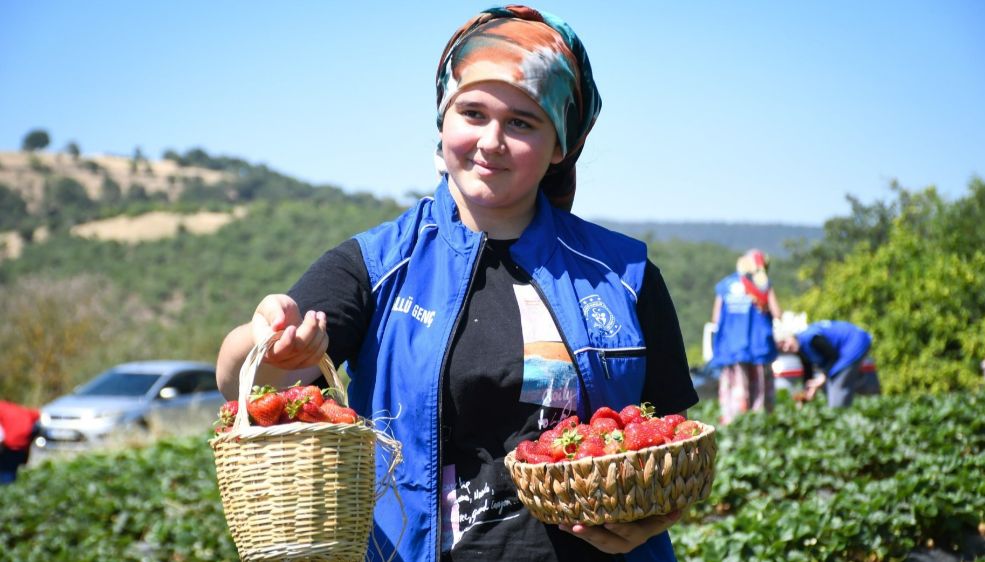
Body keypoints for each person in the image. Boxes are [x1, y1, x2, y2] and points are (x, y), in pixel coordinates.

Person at [216, 5, 698, 561]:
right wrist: (266, 337)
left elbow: (671, 447)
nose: (491, 140)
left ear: (559, 146)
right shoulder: (378, 264)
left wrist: (655, 516)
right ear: (443, 123)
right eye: (472, 113)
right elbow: (244, 385)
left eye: (522, 122)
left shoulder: (624, 274)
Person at [710, 249, 782, 425]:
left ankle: (735, 426)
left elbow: (715, 318)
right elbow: (777, 313)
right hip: (758, 346)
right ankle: (758, 427)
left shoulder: (725, 285)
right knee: (760, 394)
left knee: (735, 391)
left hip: (731, 347)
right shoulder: (762, 284)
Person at [777, 320, 880, 407]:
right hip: (845, 349)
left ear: (791, 337)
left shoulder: (812, 339)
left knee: (838, 383)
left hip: (854, 342)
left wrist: (822, 377)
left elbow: (833, 357)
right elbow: (808, 371)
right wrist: (806, 393)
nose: (786, 348)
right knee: (831, 383)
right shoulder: (800, 349)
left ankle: (839, 417)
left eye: (785, 343)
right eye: (782, 348)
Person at [0, 400, 40, 485]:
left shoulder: (3, 408)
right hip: (20, 446)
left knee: (6, 475)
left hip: (9, 447)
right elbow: (37, 415)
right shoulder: (17, 409)